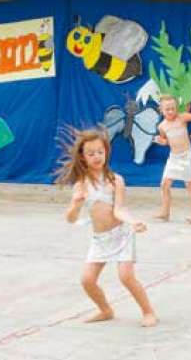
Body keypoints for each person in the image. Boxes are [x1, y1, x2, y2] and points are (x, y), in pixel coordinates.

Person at [55, 128, 158, 327]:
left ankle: (148, 311)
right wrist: (75, 205)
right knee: (87, 280)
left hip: (121, 235)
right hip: (100, 239)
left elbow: (119, 209)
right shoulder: (81, 184)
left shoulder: (115, 180)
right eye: (91, 153)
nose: (96, 157)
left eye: (100, 152)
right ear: (83, 157)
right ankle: (105, 310)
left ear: (106, 153)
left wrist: (133, 221)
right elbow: (70, 218)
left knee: (126, 276)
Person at [154, 95, 191, 223]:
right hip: (173, 157)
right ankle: (165, 212)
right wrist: (161, 141)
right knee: (164, 185)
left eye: (173, 108)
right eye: (167, 109)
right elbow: (167, 142)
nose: (171, 111)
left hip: (186, 155)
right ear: (161, 110)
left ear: (176, 108)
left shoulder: (182, 118)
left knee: (190, 185)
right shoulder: (162, 126)